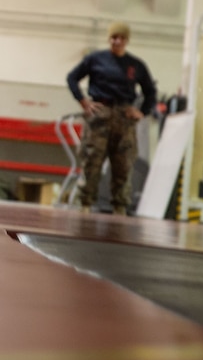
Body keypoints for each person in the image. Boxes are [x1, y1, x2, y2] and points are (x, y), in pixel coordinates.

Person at [66, 21, 157, 215]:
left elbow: (150, 91)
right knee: (92, 162)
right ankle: (85, 204)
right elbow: (72, 78)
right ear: (109, 39)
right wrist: (83, 101)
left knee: (124, 165)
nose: (117, 41)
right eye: (114, 37)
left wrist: (142, 111)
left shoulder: (135, 65)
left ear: (127, 40)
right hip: (100, 115)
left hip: (124, 118)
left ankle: (119, 207)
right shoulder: (95, 59)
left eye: (121, 38)